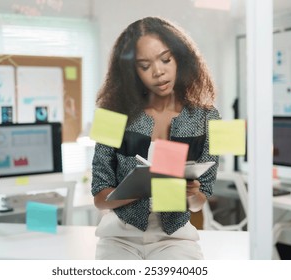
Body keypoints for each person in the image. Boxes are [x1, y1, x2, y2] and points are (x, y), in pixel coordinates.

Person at [91, 16, 220, 260]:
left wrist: (191, 193)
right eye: (145, 65)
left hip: (175, 238)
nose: (159, 72)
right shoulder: (109, 116)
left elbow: (199, 202)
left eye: (165, 59)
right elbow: (99, 198)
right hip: (119, 237)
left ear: (180, 58)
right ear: (132, 71)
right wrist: (141, 187)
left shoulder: (207, 117)